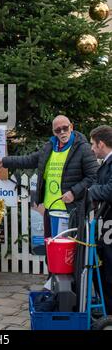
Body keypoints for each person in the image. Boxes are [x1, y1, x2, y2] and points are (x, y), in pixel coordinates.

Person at [0, 115, 98, 238]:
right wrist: (4, 162)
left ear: (71, 127)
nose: (62, 132)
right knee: (51, 249)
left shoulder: (83, 148)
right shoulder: (50, 147)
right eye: (58, 130)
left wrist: (74, 192)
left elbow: (94, 176)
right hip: (50, 209)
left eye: (65, 128)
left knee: (67, 253)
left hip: (70, 211)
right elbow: (29, 160)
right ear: (54, 132)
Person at [88, 125, 112, 315]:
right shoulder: (105, 163)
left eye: (93, 145)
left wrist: (91, 191)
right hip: (104, 222)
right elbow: (98, 183)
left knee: (109, 267)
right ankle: (106, 307)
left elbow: (108, 190)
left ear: (101, 144)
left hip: (110, 223)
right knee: (102, 265)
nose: (92, 149)